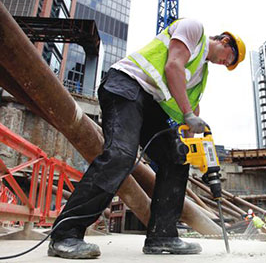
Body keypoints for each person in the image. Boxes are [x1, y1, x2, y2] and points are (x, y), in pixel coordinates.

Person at [47, 18, 245, 259]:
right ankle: (65, 234)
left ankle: (163, 236)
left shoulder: (201, 75)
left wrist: (193, 149)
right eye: (229, 57)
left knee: (176, 159)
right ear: (225, 41)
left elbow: (191, 111)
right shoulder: (195, 29)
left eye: (229, 64)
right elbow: (173, 67)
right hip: (125, 85)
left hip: (149, 103)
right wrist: (189, 115)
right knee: (121, 155)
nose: (226, 63)